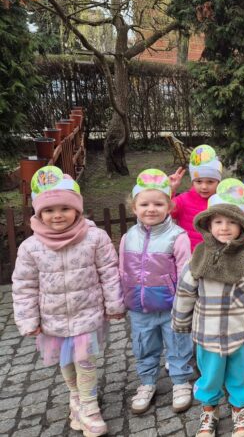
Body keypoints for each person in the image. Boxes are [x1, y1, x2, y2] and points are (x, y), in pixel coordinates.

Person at [12, 166, 124, 437]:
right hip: (54, 318)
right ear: (39, 213)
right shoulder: (31, 247)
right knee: (66, 361)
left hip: (87, 313)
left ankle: (89, 407)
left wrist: (114, 304)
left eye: (65, 208)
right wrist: (28, 319)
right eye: (49, 210)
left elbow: (109, 273)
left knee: (85, 360)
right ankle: (75, 397)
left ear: (77, 209)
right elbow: (24, 285)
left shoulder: (94, 237)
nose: (57, 215)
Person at [173, 184, 244, 437]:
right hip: (207, 333)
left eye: (231, 222)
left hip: (240, 333)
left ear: (242, 226)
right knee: (209, 375)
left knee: (242, 374)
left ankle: (239, 409)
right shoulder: (198, 256)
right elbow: (185, 292)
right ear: (208, 225)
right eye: (218, 221)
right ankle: (209, 410)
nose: (224, 227)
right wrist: (181, 321)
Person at [120, 169, 193, 415]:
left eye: (158, 204)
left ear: (169, 206)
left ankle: (181, 381)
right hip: (140, 308)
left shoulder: (178, 237)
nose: (151, 209)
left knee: (178, 345)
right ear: (134, 208)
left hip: (171, 306)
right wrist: (122, 298)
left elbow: (185, 272)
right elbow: (122, 270)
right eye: (144, 204)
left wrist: (185, 302)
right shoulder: (128, 237)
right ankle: (147, 382)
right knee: (144, 346)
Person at [169, 145, 223, 250]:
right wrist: (170, 191)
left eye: (210, 182)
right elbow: (166, 212)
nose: (204, 186)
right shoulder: (183, 200)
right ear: (193, 182)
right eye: (199, 181)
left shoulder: (222, 201)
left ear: (218, 182)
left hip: (212, 254)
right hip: (188, 254)